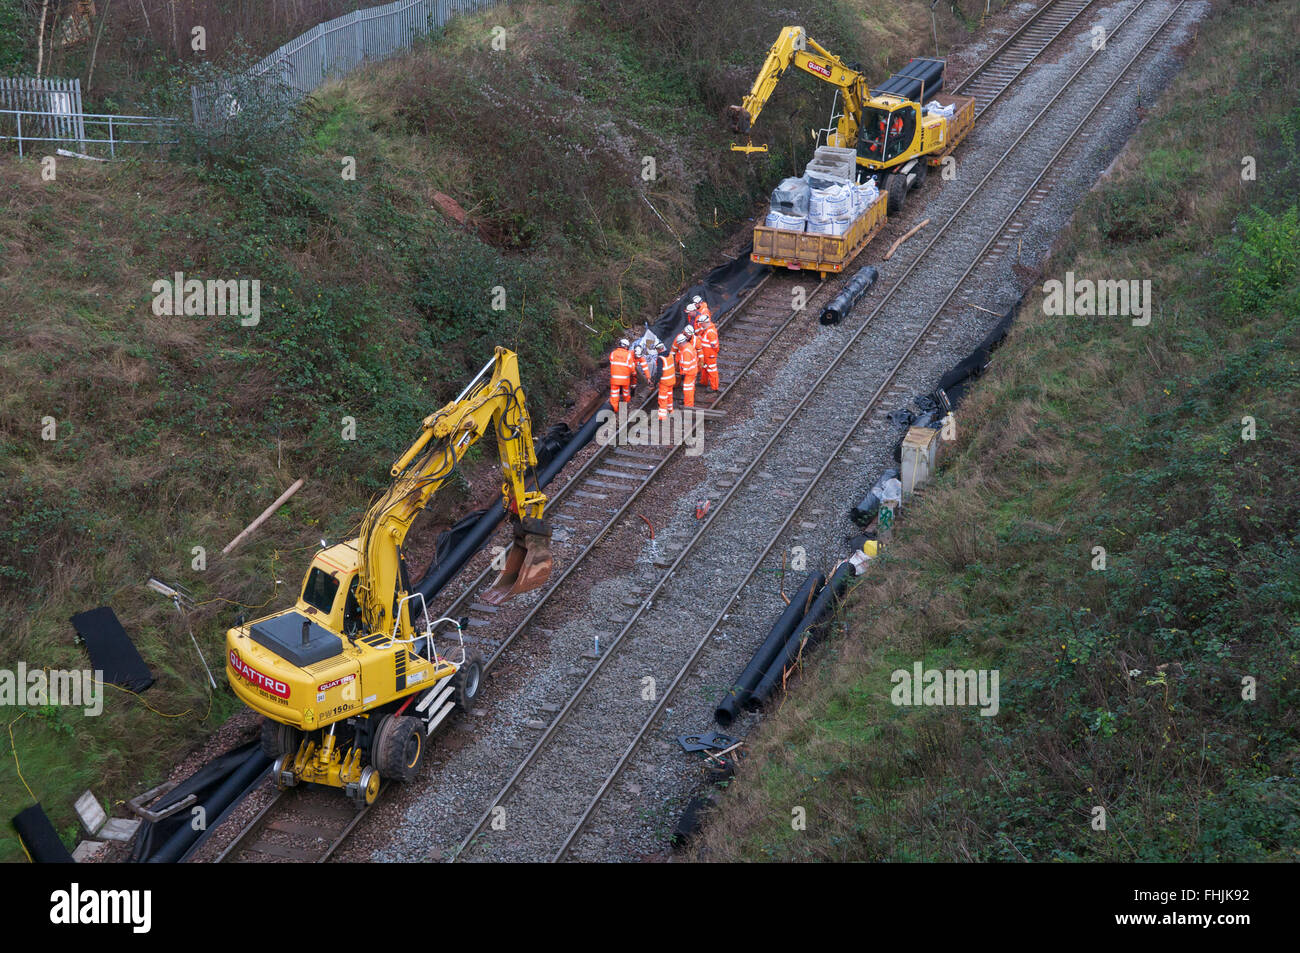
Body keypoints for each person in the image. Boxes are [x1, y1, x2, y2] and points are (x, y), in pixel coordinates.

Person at [673, 329, 698, 409]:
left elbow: (686, 364)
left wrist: (683, 373)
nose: (678, 346)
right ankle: (689, 404)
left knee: (687, 390)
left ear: (681, 342)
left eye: (679, 344)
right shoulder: (688, 347)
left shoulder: (686, 351)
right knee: (691, 387)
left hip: (689, 373)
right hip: (692, 371)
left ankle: (688, 406)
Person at [695, 311, 720, 391]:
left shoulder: (710, 332)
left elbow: (715, 346)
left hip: (710, 355)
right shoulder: (706, 330)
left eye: (701, 323)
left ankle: (714, 387)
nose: (701, 325)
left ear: (705, 323)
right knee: (704, 368)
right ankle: (703, 382)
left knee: (711, 370)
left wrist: (713, 354)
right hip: (705, 354)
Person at [609, 338, 635, 411]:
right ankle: (625, 404)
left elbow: (611, 362)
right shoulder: (628, 355)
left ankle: (614, 409)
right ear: (626, 346)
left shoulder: (613, 353)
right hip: (625, 380)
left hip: (614, 379)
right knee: (626, 392)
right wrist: (633, 374)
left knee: (614, 394)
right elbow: (632, 368)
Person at [654, 343, 676, 421]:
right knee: (669, 395)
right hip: (671, 380)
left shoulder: (660, 358)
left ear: (659, 350)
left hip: (664, 382)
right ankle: (671, 410)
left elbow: (659, 372)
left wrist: (655, 382)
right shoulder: (670, 355)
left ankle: (662, 417)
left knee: (662, 398)